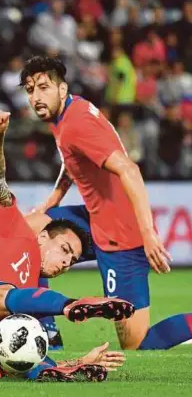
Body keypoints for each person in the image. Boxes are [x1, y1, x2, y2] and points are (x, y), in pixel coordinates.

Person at [0, 110, 134, 380]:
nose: (65, 264)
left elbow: (27, 347)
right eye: (65, 251)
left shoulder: (35, 295)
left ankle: (38, 363)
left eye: (71, 262)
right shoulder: (16, 228)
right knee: (5, 296)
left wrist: (79, 361)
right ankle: (70, 306)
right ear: (43, 236)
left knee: (24, 340)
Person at [20, 55, 192, 350]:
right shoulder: (66, 113)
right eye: (30, 89)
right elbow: (71, 159)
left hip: (119, 232)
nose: (36, 96)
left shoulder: (77, 124)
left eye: (43, 87)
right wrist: (53, 199)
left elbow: (130, 169)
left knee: (136, 343)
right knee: (26, 234)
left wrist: (148, 233)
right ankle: (48, 335)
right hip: (94, 217)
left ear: (62, 89)